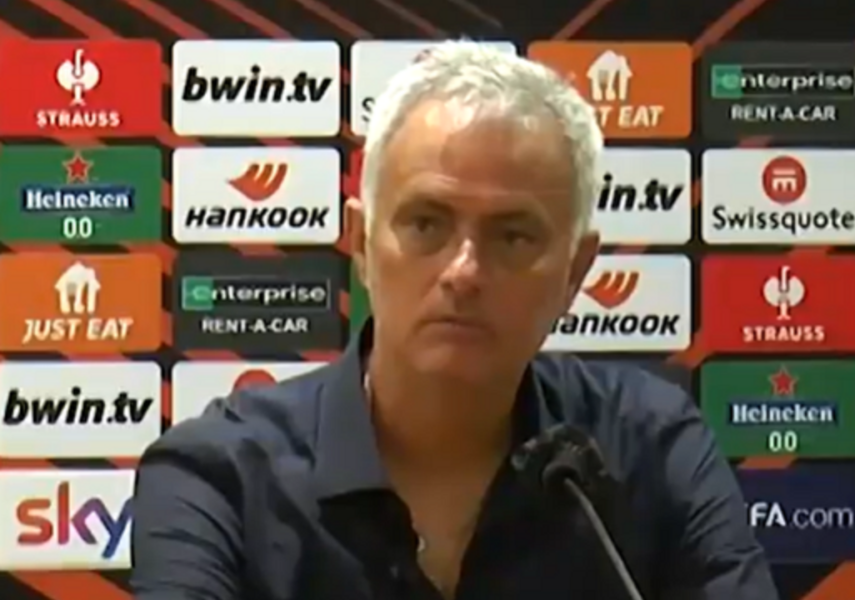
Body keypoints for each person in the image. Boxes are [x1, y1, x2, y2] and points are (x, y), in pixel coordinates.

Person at [130, 41, 778, 600]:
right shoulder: (219, 479)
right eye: (426, 224)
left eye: (513, 236)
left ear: (576, 272)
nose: (464, 271)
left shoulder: (652, 449)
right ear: (361, 245)